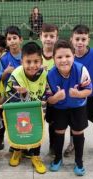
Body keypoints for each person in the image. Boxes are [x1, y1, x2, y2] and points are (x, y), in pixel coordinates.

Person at [64, 24, 93, 158]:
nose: (80, 42)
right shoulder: (68, 56)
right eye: (77, 39)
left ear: (88, 40)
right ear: (72, 40)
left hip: (92, 95)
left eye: (83, 39)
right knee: (74, 121)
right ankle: (72, 143)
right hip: (75, 96)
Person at [47, 40, 93, 176]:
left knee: (78, 132)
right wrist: (56, 98)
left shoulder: (81, 69)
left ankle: (79, 161)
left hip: (77, 107)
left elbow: (89, 90)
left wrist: (78, 94)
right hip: (60, 108)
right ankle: (57, 159)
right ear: (53, 59)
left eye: (67, 56)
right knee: (59, 131)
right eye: (59, 57)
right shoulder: (50, 74)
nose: (64, 60)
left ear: (73, 55)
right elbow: (49, 99)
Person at [5, 42, 49, 174]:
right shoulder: (16, 75)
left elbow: (47, 93)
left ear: (41, 61)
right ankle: (18, 151)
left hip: (38, 109)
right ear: (21, 61)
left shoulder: (45, 74)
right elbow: (10, 96)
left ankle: (35, 156)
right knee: (19, 129)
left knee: (37, 130)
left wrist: (45, 102)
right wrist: (22, 94)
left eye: (36, 61)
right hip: (20, 110)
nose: (32, 65)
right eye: (28, 62)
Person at [0, 26, 23, 150]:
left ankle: (21, 141)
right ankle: (2, 138)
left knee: (23, 120)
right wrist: (6, 72)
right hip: (10, 95)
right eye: (9, 39)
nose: (12, 41)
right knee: (7, 120)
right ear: (6, 42)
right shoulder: (4, 59)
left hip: (24, 95)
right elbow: (0, 79)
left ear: (20, 39)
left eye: (14, 38)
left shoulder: (26, 56)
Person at [39, 23, 59, 155]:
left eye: (52, 36)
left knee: (53, 124)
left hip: (55, 97)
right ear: (40, 37)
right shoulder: (36, 56)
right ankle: (33, 148)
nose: (48, 39)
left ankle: (53, 147)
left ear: (56, 38)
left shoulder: (59, 57)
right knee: (37, 122)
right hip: (38, 97)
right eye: (45, 36)